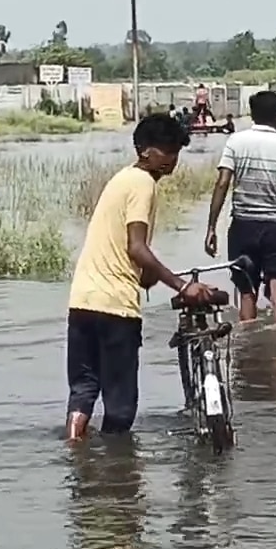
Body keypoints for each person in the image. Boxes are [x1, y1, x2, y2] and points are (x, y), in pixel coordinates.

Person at [64, 113, 217, 442]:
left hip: (82, 302)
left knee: (83, 390)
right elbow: (136, 247)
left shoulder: (121, 179)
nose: (173, 159)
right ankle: (118, 475)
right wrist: (182, 285)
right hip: (115, 309)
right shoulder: (143, 184)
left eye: (176, 150)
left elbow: (132, 253)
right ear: (145, 151)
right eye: (167, 150)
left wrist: (149, 276)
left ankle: (75, 455)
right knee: (120, 407)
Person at [205, 90, 276, 325]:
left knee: (246, 290)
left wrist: (211, 227)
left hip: (243, 225)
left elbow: (222, 183)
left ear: (252, 113)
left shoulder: (235, 141)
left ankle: (248, 348)